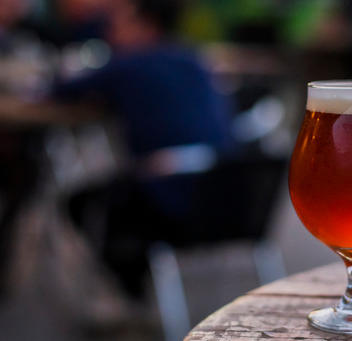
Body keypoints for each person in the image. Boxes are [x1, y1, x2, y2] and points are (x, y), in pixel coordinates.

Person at [51, 0, 237, 296]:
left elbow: (59, 90)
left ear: (146, 26)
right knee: (118, 194)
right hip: (229, 195)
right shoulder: (192, 60)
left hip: (170, 198)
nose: (109, 31)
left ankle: (130, 295)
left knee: (83, 203)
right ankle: (140, 290)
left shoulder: (128, 64)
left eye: (119, 23)